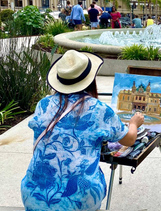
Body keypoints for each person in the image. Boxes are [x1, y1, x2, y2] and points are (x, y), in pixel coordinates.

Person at [21, 50, 144, 211]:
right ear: (90, 80)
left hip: (33, 195)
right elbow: (128, 140)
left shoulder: (43, 105)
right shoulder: (99, 109)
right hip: (80, 200)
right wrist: (134, 123)